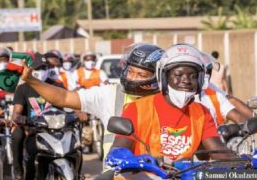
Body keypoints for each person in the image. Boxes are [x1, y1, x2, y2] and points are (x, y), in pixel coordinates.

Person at [19, 43, 164, 159]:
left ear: (157, 75)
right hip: (118, 174)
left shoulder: (169, 100)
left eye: (141, 74)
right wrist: (30, 80)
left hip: (163, 172)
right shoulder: (110, 93)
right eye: (131, 72)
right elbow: (64, 97)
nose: (133, 78)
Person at [111, 44, 235, 165]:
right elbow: (118, 150)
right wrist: (130, 160)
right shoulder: (137, 109)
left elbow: (218, 151)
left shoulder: (202, 112)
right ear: (164, 77)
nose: (186, 80)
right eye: (178, 75)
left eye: (193, 76)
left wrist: (246, 161)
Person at [12, 53, 65, 180]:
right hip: (33, 130)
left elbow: (69, 101)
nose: (42, 71)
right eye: (38, 69)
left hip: (56, 129)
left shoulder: (57, 86)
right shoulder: (23, 88)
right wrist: (20, 118)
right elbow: (16, 112)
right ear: (30, 70)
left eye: (44, 68)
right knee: (17, 135)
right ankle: (18, 169)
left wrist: (79, 112)